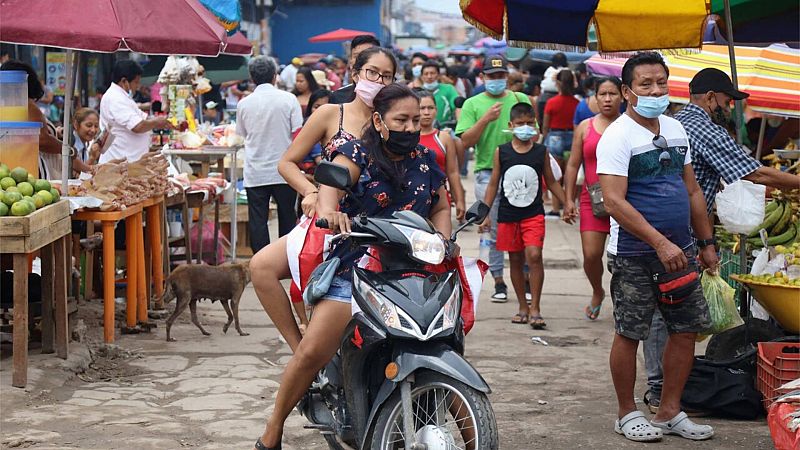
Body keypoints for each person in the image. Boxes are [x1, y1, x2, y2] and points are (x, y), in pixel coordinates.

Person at [253, 83, 450, 450]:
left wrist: (443, 237)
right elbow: (329, 191)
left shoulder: (425, 159)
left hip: (414, 269)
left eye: (415, 120)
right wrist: (330, 212)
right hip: (358, 266)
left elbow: (440, 205)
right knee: (312, 352)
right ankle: (272, 430)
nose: (410, 127)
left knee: (444, 343)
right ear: (378, 120)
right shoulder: (356, 153)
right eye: (401, 120)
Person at [641, 67, 800, 413]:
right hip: (675, 232)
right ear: (711, 97)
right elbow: (755, 172)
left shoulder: (675, 122)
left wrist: (706, 242)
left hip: (660, 227)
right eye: (727, 101)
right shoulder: (704, 128)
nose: (729, 108)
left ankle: (660, 385)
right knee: (673, 314)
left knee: (661, 312)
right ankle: (660, 389)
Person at [596, 52, 717, 442]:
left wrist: (706, 242)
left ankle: (669, 411)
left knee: (686, 329)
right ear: (627, 91)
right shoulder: (618, 136)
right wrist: (660, 243)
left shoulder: (676, 128)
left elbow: (692, 190)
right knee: (630, 332)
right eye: (645, 84)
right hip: (635, 255)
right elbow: (614, 201)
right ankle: (626, 412)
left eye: (661, 82)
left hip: (681, 251)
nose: (655, 90)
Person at [249, 47, 397, 354]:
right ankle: (299, 349)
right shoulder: (330, 113)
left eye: (387, 76)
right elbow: (287, 163)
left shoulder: (394, 119)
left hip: (376, 221)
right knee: (261, 267)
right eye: (372, 73)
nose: (378, 81)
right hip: (327, 217)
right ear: (355, 74)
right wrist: (311, 192)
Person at [481, 103, 570, 329]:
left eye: (530, 123)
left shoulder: (541, 152)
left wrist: (567, 202)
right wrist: (484, 212)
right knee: (516, 260)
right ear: (511, 125)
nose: (525, 127)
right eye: (520, 123)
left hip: (533, 214)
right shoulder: (502, 152)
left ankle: (535, 307)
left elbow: (551, 181)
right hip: (508, 215)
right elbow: (493, 184)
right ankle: (522, 306)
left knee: (534, 254)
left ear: (536, 125)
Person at [456, 54, 532, 301]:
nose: (497, 79)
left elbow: (534, 132)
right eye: (492, 76)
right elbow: (466, 141)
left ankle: (525, 277)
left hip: (519, 170)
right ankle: (499, 280)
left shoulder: (520, 99)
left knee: (522, 227)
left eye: (501, 75)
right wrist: (485, 119)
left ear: (507, 76)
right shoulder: (473, 104)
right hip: (487, 173)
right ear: (483, 77)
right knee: (493, 230)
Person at [562, 77, 623, 320]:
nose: (607, 99)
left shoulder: (630, 126)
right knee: (591, 255)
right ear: (594, 98)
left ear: (623, 96)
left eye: (612, 94)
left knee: (624, 259)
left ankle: (624, 301)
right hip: (592, 200)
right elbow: (572, 164)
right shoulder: (585, 127)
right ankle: (597, 290)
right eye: (602, 94)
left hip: (626, 200)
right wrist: (568, 199)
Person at [236, 56, 303, 254]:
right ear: (275, 76)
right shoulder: (289, 99)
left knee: (258, 220)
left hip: (256, 171)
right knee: (287, 217)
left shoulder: (244, 104)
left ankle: (261, 260)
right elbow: (298, 134)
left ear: (251, 77)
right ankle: (286, 258)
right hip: (285, 170)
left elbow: (241, 134)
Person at [98, 60, 173, 164]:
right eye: (136, 82)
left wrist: (163, 121)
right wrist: (157, 121)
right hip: (120, 160)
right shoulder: (115, 98)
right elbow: (138, 126)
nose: (137, 86)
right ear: (124, 81)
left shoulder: (123, 97)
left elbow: (143, 118)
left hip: (129, 160)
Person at [0, 60, 64, 179]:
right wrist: (67, 149)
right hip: (29, 169)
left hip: (12, 170)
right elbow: (42, 140)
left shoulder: (7, 106)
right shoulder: (27, 107)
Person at [417, 89, 466, 221]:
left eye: (430, 108)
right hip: (413, 200)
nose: (426, 112)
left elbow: (453, 172)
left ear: (436, 110)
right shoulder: (407, 136)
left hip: (440, 200)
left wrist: (460, 200)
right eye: (422, 108)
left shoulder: (443, 138)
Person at [542, 69, 579, 218]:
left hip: (554, 138)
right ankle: (570, 204)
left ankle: (556, 209)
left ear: (557, 83)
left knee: (555, 174)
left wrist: (544, 139)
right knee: (570, 174)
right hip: (572, 137)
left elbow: (545, 125)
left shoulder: (551, 102)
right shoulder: (577, 103)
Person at [329, 34, 381, 104]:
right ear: (350, 62)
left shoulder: (389, 95)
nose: (361, 60)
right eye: (357, 56)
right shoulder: (337, 97)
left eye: (367, 55)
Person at [420, 61, 458, 128]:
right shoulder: (417, 91)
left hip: (445, 128)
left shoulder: (449, 89)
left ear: (438, 75)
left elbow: (457, 107)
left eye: (432, 73)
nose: (429, 76)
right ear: (422, 77)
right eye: (426, 74)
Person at [537, 52, 569, 129]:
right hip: (561, 97)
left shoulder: (549, 69)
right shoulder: (567, 71)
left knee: (543, 119)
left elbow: (544, 80)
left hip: (544, 97)